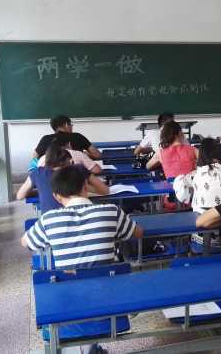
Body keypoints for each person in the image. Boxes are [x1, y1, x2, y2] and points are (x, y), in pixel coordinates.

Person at [21, 165, 143, 354]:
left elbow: (25, 242)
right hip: (109, 302)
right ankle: (91, 348)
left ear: (56, 196)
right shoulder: (111, 211)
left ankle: (89, 348)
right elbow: (138, 233)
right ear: (86, 186)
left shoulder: (49, 219)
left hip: (67, 307)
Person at [17, 146, 109, 213]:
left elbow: (20, 196)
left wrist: (41, 190)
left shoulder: (38, 173)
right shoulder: (79, 169)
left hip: (51, 223)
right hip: (81, 218)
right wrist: (85, 187)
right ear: (69, 161)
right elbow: (105, 190)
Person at [33, 115, 101, 159]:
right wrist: (82, 154)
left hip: (51, 175)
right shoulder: (78, 137)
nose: (71, 126)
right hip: (76, 174)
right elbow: (97, 154)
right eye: (70, 124)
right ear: (66, 124)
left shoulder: (45, 138)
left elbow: (35, 157)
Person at [37, 132, 102, 174]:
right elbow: (97, 170)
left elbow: (34, 158)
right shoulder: (77, 154)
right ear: (69, 144)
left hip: (49, 189)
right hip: (74, 187)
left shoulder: (42, 159)